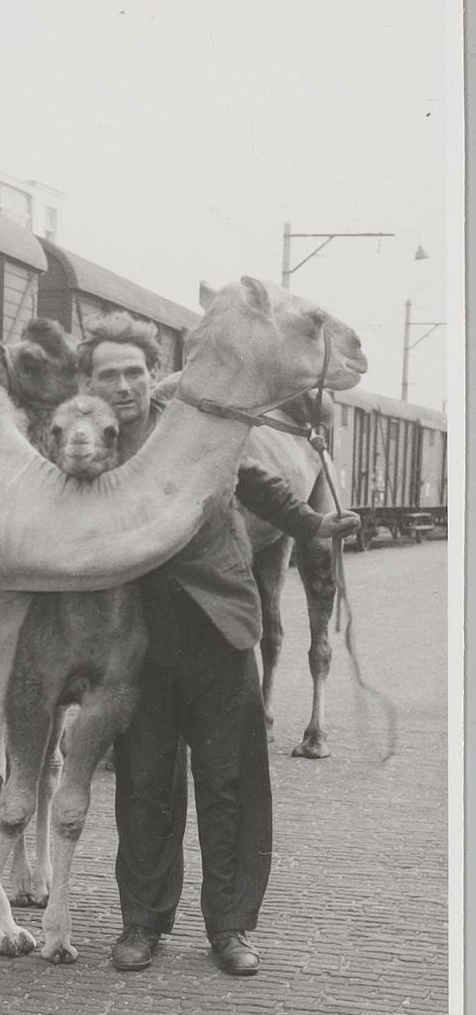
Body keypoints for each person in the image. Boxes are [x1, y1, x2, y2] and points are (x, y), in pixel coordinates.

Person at [77, 312, 360, 975]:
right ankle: (142, 923)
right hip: (134, 633)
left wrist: (312, 523)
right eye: (109, 375)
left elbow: (252, 476)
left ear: (155, 374)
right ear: (89, 383)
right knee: (144, 782)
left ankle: (230, 927)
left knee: (231, 779)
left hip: (218, 617)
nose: (124, 386)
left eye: (134, 372)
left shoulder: (194, 418)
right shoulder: (83, 439)